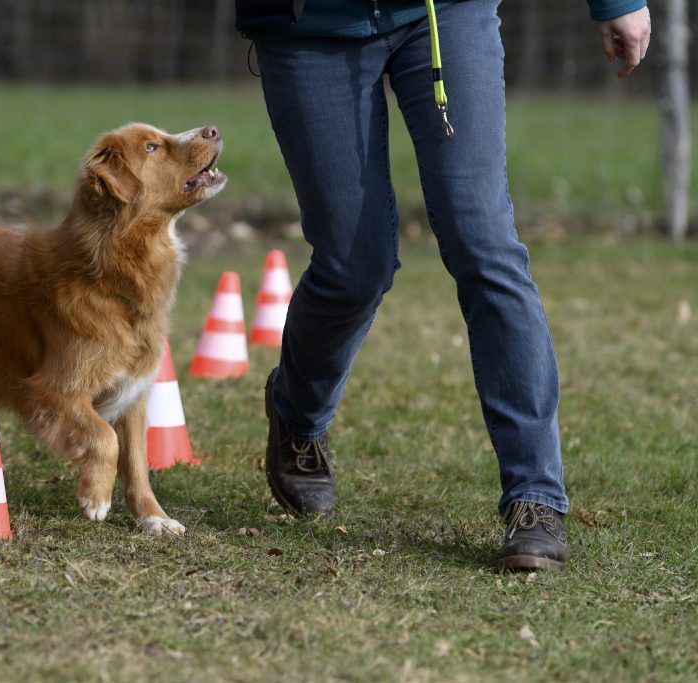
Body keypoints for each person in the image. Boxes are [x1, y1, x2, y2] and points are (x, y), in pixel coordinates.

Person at [236, 0, 651, 571]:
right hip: (308, 24)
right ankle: (298, 416)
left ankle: (536, 497)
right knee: (353, 268)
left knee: (485, 245)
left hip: (442, 13)